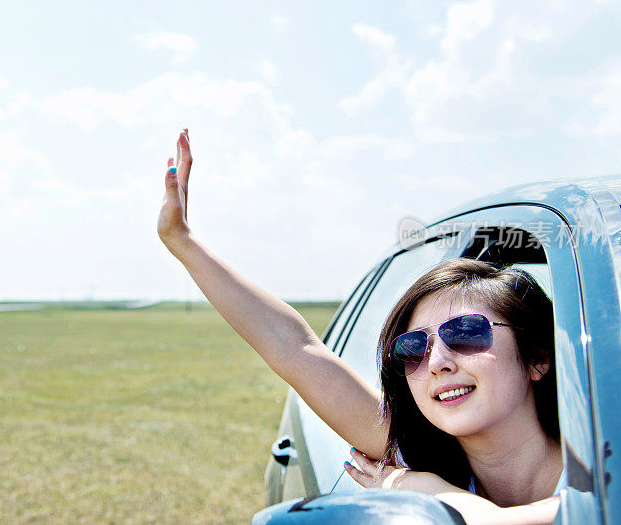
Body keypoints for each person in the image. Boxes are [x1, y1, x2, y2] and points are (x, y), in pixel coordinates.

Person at [157, 130, 564, 525]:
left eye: (467, 334)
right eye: (413, 348)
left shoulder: (603, 479)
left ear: (538, 356)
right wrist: (182, 242)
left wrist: (422, 490)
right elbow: (294, 348)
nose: (437, 361)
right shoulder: (422, 447)